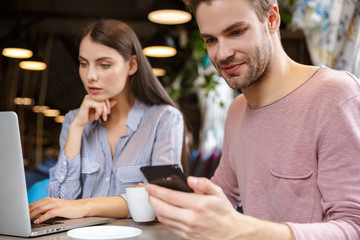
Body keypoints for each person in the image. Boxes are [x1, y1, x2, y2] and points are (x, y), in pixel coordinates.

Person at [145, 0, 360, 239]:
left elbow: (353, 227)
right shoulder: (237, 110)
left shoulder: (335, 95)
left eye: (236, 32)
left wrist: (239, 229)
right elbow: (223, 192)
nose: (222, 54)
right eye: (211, 40)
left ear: (271, 19)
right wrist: (175, 201)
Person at [29, 19, 187, 224]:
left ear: (131, 65)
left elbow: (163, 198)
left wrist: (85, 206)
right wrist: (77, 128)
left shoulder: (164, 120)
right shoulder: (72, 121)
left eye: (104, 65)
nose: (90, 76)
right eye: (84, 63)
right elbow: (61, 202)